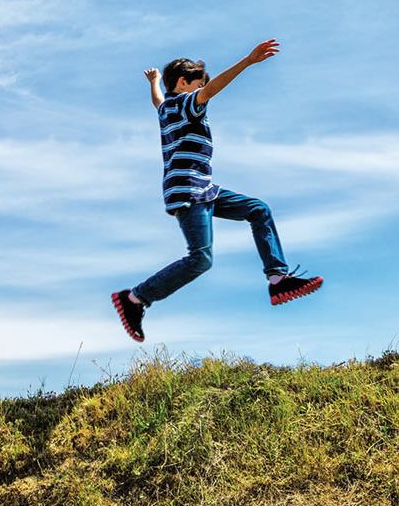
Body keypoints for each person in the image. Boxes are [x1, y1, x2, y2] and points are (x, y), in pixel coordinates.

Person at [112, 40, 323, 342]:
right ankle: (135, 298)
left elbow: (157, 100)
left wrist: (155, 81)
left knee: (258, 209)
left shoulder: (166, 109)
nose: (202, 93)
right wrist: (247, 61)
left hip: (204, 188)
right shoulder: (186, 104)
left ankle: (277, 279)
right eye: (198, 85)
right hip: (190, 191)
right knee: (201, 259)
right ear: (184, 83)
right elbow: (210, 91)